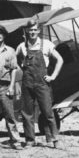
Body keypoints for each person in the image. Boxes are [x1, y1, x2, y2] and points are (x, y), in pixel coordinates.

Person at [16, 19, 63, 148]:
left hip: (42, 83)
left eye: (34, 30)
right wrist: (21, 69)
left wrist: (53, 76)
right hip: (27, 83)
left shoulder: (46, 44)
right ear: (26, 31)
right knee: (27, 113)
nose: (32, 32)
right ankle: (30, 140)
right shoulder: (21, 46)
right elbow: (15, 62)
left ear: (38, 30)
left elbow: (60, 59)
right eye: (30, 30)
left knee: (48, 111)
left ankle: (54, 139)